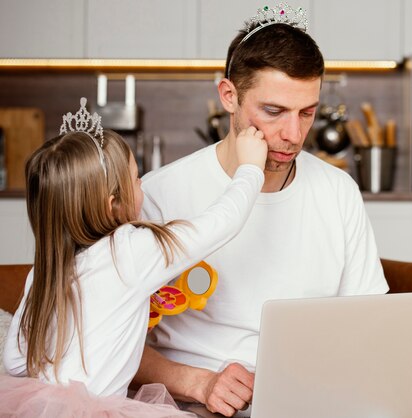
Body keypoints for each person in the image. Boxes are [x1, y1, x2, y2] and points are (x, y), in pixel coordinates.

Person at [134, 3, 389, 417]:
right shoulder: (162, 194)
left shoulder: (338, 191)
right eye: (273, 112)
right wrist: (199, 382)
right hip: (195, 402)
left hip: (310, 398)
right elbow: (103, 335)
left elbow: (370, 322)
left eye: (308, 112)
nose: (293, 135)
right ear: (229, 96)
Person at [1, 97, 267, 416]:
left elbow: (15, 361)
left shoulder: (45, 271)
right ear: (113, 203)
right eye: (136, 179)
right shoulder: (129, 249)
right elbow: (222, 222)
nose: (143, 186)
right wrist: (250, 167)